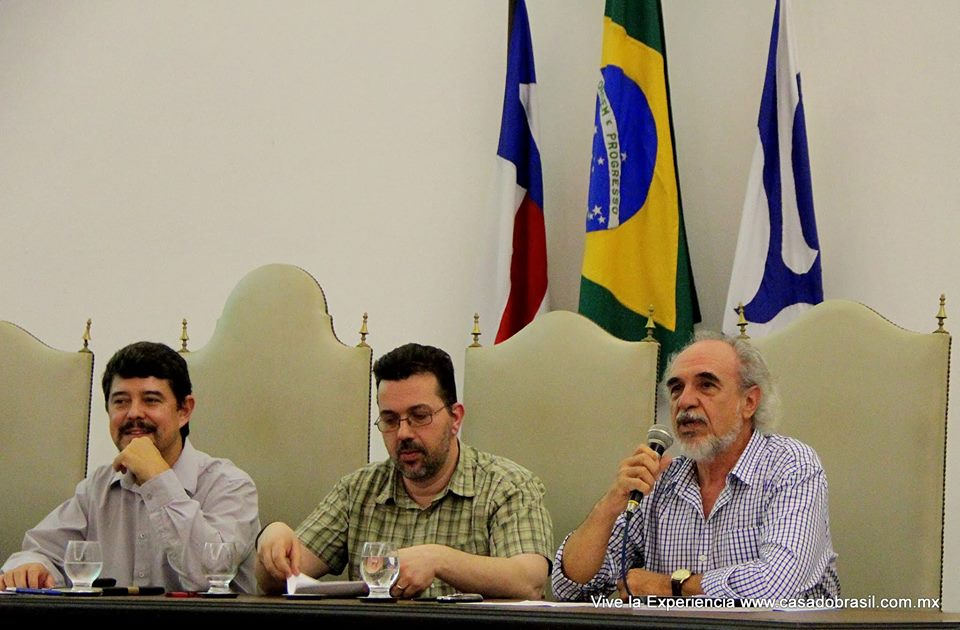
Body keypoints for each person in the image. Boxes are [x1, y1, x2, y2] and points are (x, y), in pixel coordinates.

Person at [552, 331, 839, 601]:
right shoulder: (659, 480)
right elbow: (569, 588)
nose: (685, 401)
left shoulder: (790, 465)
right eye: (676, 389)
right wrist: (610, 503)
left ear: (749, 402)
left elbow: (779, 584)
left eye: (706, 385)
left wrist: (669, 586)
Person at [256, 343, 553, 599]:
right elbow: (276, 582)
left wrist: (438, 559)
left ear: (455, 418)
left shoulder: (507, 484)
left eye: (419, 416)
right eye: (390, 420)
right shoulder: (357, 490)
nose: (403, 433)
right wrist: (273, 540)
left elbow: (529, 581)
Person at [0, 341, 260, 592]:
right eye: (121, 401)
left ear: (184, 410)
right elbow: (40, 552)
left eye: (151, 400)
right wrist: (33, 567)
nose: (134, 413)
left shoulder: (230, 485)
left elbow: (211, 576)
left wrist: (158, 478)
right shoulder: (98, 488)